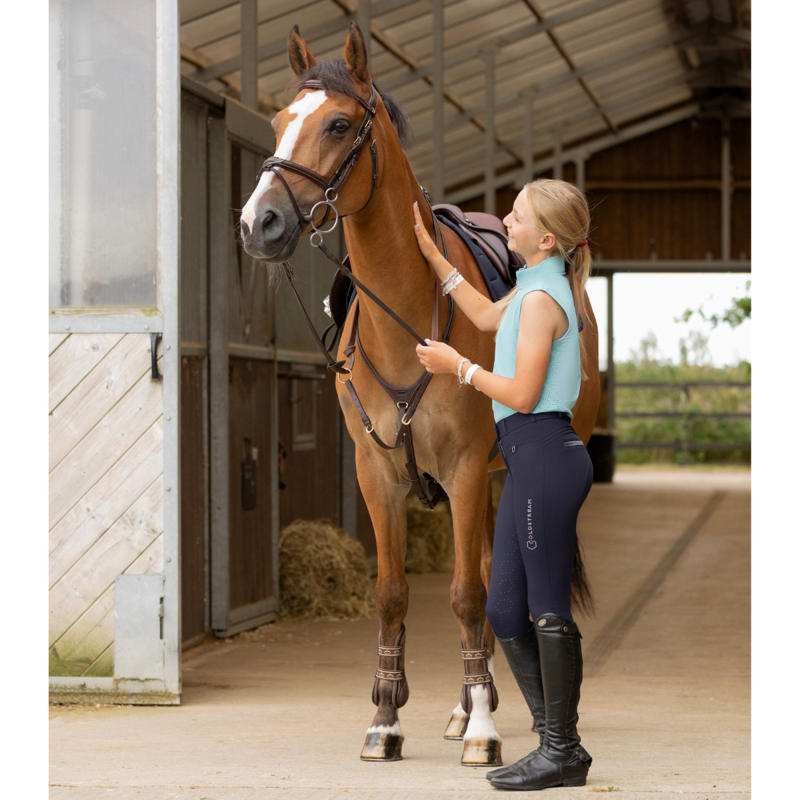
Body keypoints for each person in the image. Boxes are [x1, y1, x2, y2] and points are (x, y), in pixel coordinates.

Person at [412, 178, 594, 791]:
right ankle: (554, 742)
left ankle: (562, 749)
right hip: (527, 458)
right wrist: (436, 258)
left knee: (545, 608)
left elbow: (520, 393)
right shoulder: (531, 287)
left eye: (515, 217)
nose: (505, 223)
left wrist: (459, 367)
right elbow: (487, 315)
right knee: (502, 607)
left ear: (545, 238)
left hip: (544, 453)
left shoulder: (544, 302)